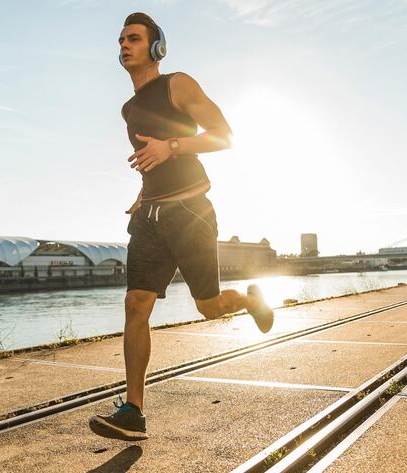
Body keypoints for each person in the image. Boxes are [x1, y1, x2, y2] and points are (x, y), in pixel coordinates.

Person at [89, 12, 274, 441]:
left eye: (133, 38)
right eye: (120, 39)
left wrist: (172, 146)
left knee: (207, 307)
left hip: (190, 212)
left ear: (157, 48)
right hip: (150, 217)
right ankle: (133, 410)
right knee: (136, 303)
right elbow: (148, 159)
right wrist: (141, 193)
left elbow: (224, 136)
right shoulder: (129, 108)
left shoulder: (178, 84)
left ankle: (249, 300)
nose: (124, 44)